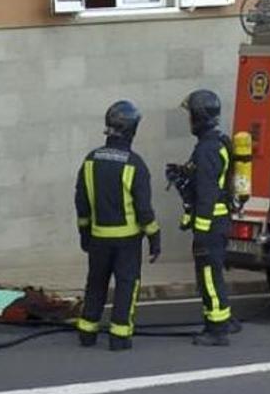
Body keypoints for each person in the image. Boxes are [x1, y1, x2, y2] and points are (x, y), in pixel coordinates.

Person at [74, 100, 160, 352]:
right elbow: (144, 209)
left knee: (96, 282)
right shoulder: (135, 164)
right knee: (126, 284)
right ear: (132, 130)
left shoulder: (91, 160)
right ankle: (119, 336)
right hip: (127, 241)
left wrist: (84, 232)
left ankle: (87, 332)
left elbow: (81, 201)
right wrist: (154, 238)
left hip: (98, 238)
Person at [178, 90, 235, 346]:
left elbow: (207, 195)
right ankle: (224, 318)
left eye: (191, 115)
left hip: (210, 225)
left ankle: (217, 329)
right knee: (214, 274)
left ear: (198, 117)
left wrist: (200, 232)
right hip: (217, 222)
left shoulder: (207, 150)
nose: (189, 120)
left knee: (209, 277)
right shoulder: (216, 143)